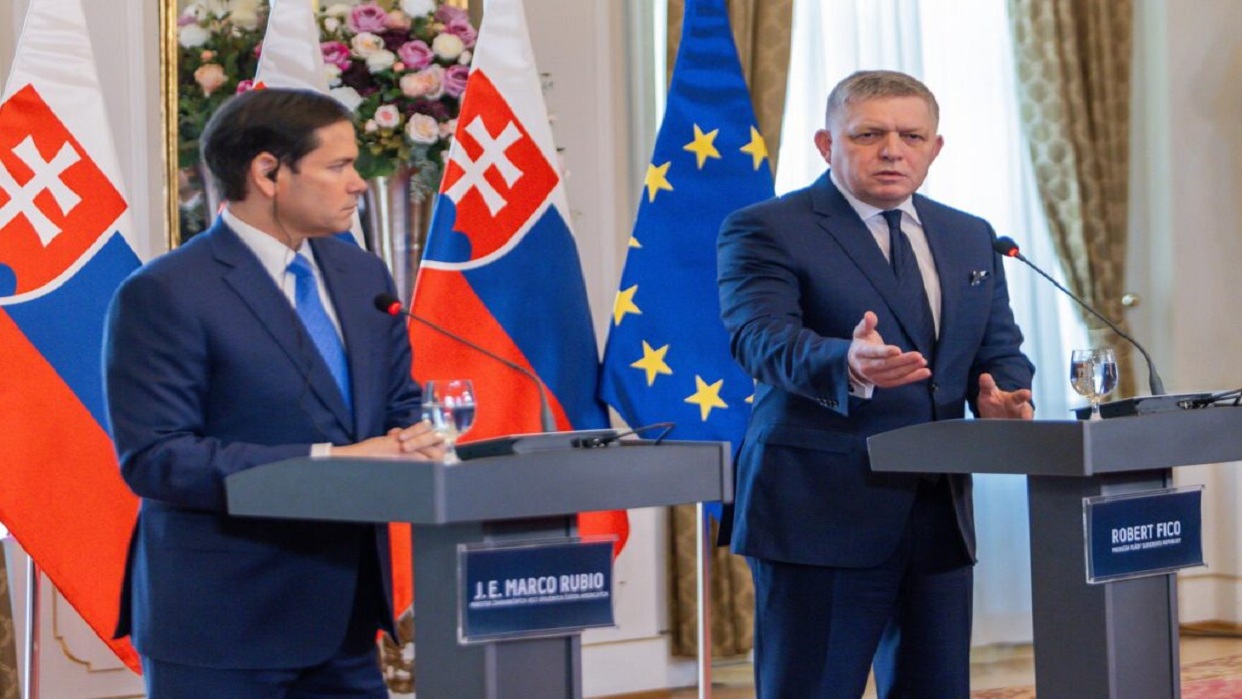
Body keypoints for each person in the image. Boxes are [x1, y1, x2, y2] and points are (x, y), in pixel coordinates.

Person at [104, 88, 444, 697]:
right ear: (268, 173)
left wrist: (418, 436)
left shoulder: (363, 275)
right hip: (222, 624)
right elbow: (158, 458)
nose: (358, 183)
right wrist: (331, 462)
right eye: (338, 166)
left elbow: (397, 403)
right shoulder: (166, 292)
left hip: (345, 620)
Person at [717, 70, 1035, 698]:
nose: (893, 150)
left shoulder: (970, 234)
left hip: (938, 513)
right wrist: (848, 362)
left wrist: (1003, 398)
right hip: (819, 509)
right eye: (869, 134)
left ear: (935, 148)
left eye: (911, 136)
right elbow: (758, 338)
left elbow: (997, 347)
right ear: (825, 144)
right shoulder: (767, 227)